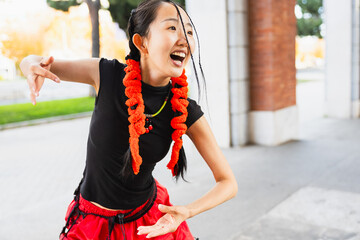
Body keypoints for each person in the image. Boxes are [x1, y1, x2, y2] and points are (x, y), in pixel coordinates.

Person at [19, 0, 238, 239]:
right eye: (173, 28)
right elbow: (34, 60)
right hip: (90, 226)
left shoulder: (184, 109)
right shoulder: (107, 74)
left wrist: (186, 211)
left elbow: (228, 183)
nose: (184, 38)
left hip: (148, 224)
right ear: (141, 41)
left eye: (189, 31)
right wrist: (31, 66)